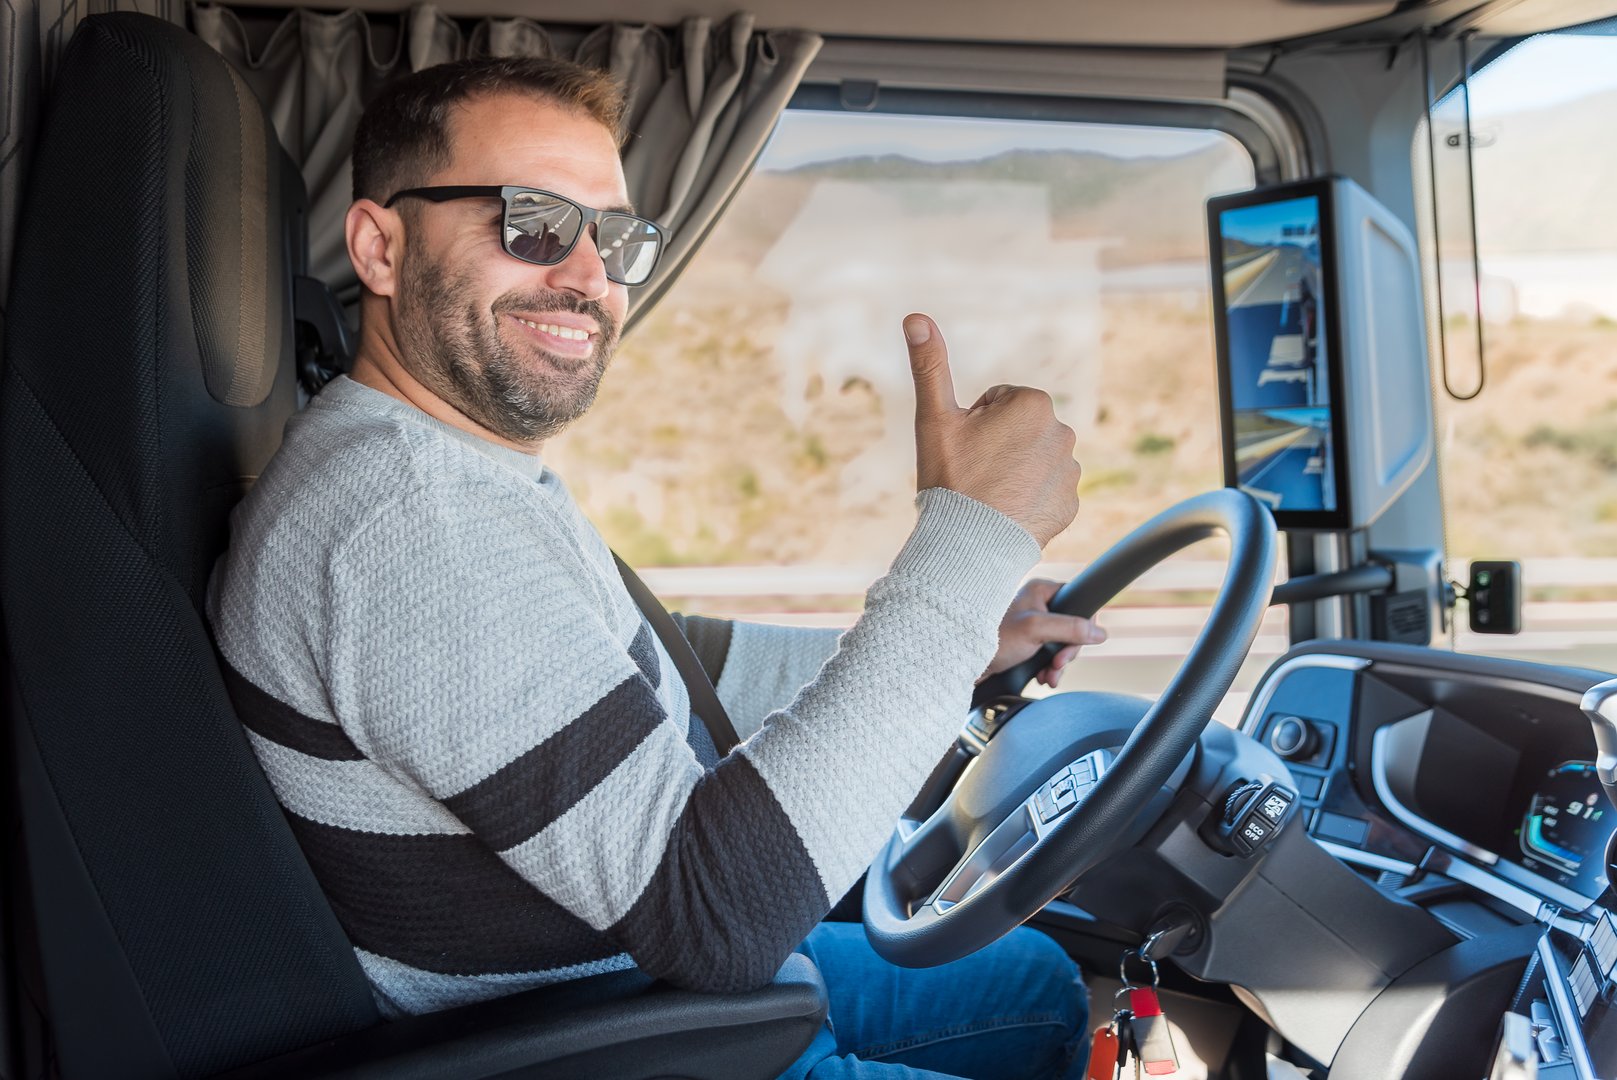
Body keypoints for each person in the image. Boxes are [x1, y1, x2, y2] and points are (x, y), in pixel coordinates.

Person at [207, 56, 1104, 1079]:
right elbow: (716, 915)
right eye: (532, 221)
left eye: (614, 237)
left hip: (628, 986)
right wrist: (971, 542)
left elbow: (650, 668)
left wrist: (969, 635)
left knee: (1035, 981)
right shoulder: (408, 521)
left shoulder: (452, 464)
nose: (589, 277)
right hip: (600, 1039)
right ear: (380, 245)